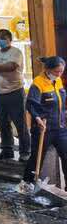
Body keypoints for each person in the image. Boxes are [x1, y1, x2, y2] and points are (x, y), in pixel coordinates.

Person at [0, 29, 31, 162]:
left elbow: (12, 66)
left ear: (10, 39)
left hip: (15, 92)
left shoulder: (16, 52)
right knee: (3, 124)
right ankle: (7, 151)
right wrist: (2, 67)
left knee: (20, 124)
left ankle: (25, 152)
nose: (0, 40)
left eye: (3, 38)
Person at [23, 56, 67, 186]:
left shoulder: (58, 80)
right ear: (48, 69)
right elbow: (30, 104)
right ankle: (27, 184)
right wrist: (37, 119)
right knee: (37, 157)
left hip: (60, 127)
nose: (59, 74)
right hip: (43, 128)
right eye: (56, 71)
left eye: (61, 71)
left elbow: (60, 101)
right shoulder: (38, 83)